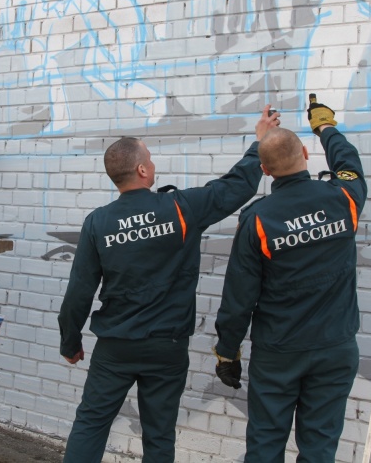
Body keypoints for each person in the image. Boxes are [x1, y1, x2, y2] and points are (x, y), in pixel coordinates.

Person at [57, 106, 280, 463]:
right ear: (143, 170)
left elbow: (79, 291)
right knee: (159, 434)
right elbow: (235, 187)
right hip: (167, 345)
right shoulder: (180, 207)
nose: (154, 164)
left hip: (116, 346)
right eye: (150, 158)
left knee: (92, 421)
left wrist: (70, 341)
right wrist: (259, 143)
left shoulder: (97, 222)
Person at [212, 96, 367, 462]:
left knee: (265, 445)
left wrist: (227, 351)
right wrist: (325, 127)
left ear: (264, 170)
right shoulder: (343, 198)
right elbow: (350, 164)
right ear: (307, 156)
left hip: (279, 353)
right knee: (319, 448)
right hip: (335, 348)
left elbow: (238, 297)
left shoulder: (258, 220)